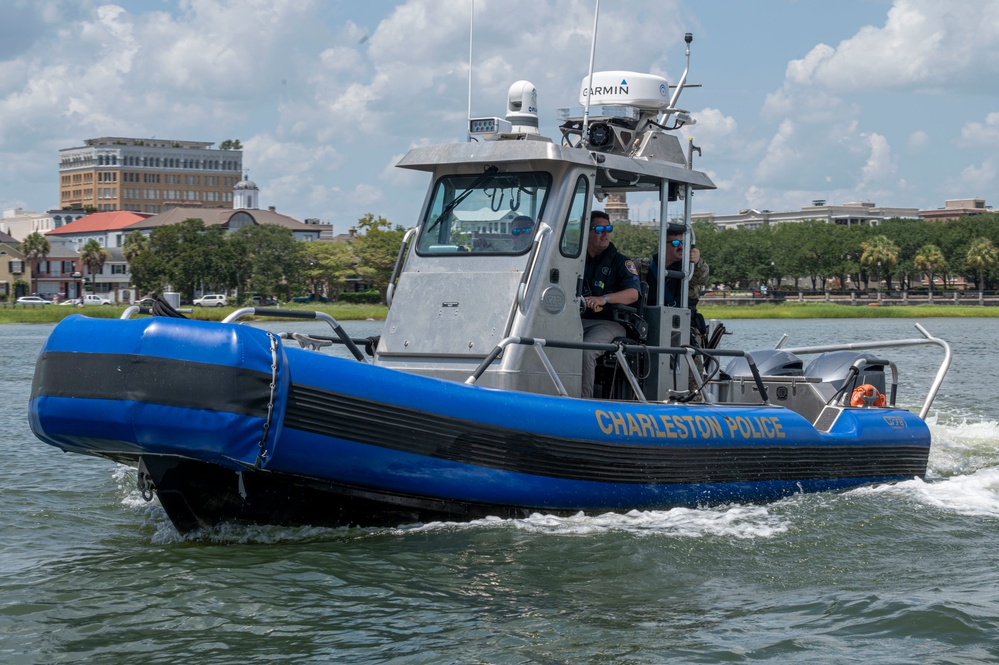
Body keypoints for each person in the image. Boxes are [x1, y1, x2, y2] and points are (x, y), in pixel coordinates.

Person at [580, 210, 641, 398]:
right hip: (578, 320)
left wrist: (603, 299)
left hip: (610, 323)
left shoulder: (621, 262)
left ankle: (583, 402)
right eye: (599, 229)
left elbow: (633, 294)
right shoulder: (574, 259)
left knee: (585, 350)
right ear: (586, 231)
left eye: (608, 229)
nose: (605, 233)